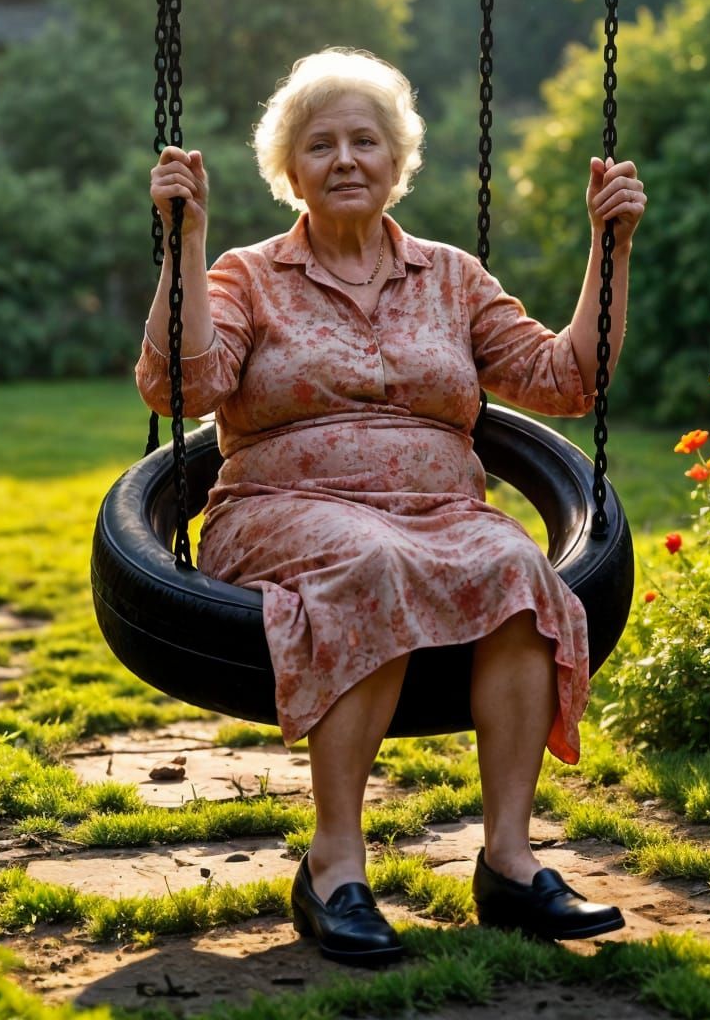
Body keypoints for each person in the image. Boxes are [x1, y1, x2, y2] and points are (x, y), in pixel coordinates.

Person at [137, 49, 644, 966]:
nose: (344, 160)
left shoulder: (452, 277)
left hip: (440, 511)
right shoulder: (249, 276)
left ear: (397, 160)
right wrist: (185, 243)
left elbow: (566, 378)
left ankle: (510, 860)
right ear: (290, 169)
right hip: (284, 510)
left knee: (519, 567)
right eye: (320, 144)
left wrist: (612, 248)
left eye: (364, 141)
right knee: (368, 557)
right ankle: (335, 864)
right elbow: (180, 385)